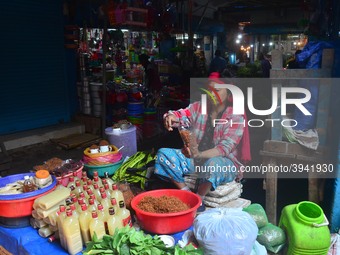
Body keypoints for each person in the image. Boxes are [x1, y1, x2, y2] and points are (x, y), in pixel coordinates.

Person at [154, 72, 251, 212]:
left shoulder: (236, 117)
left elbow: (223, 149)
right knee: (163, 154)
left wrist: (198, 154)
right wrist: (170, 116)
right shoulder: (199, 107)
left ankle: (199, 199)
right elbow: (181, 115)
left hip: (224, 162)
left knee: (213, 164)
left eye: (217, 90)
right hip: (196, 159)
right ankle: (187, 193)